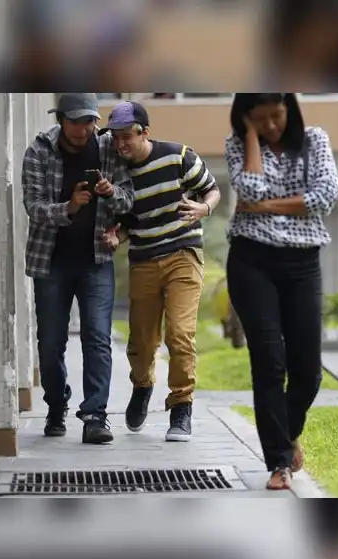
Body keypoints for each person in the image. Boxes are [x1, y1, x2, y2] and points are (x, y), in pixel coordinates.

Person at [223, 93, 338, 490]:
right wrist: (251, 137)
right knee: (269, 362)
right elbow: (250, 191)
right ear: (247, 119)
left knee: (308, 372)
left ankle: (287, 435)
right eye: (261, 120)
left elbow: (324, 197)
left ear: (290, 107)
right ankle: (279, 463)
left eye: (277, 116)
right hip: (251, 262)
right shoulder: (237, 144)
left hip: (302, 263)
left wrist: (266, 207)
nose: (272, 125)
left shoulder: (315, 140)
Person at [100, 102, 221, 441]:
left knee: (180, 334)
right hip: (143, 259)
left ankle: (181, 408)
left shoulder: (179, 156)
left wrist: (204, 207)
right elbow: (128, 223)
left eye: (127, 136)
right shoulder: (118, 172)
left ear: (145, 133)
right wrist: (115, 235)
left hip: (183, 253)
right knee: (141, 341)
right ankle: (142, 386)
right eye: (116, 138)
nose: (121, 144)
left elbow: (213, 189)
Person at [21, 93, 135, 444]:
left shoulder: (107, 149)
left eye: (89, 121)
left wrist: (110, 191)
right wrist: (69, 207)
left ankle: (95, 417)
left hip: (96, 260)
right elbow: (33, 207)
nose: (83, 129)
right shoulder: (39, 151)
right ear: (60, 120)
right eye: (75, 121)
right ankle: (57, 406)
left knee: (98, 338)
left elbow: (129, 197)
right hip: (50, 261)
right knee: (51, 343)